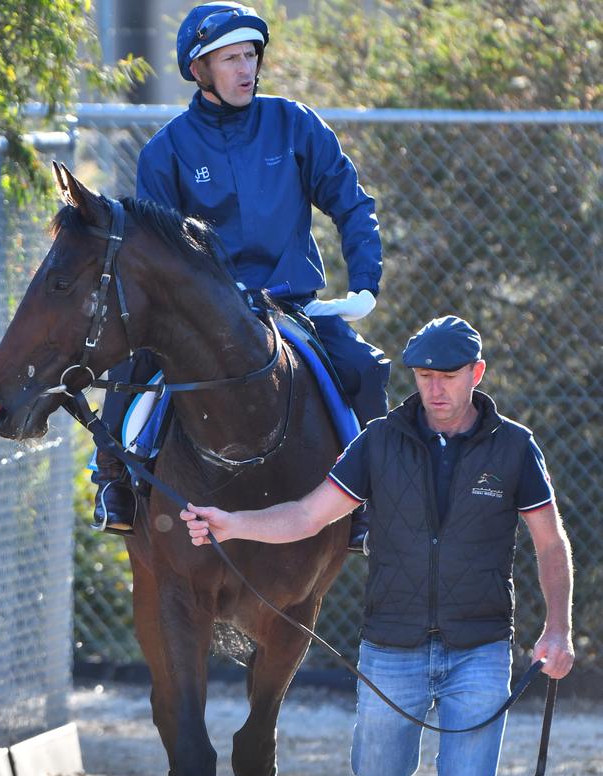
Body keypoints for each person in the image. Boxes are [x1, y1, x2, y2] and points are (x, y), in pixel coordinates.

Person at [179, 315, 575, 776]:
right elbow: (306, 515)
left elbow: (550, 543)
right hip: (392, 651)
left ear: (477, 373)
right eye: (423, 375)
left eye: (449, 375)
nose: (435, 389)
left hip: (480, 652)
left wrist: (558, 629)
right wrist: (233, 523)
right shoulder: (378, 442)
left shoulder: (514, 447)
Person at [91, 2, 390, 549]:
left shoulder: (294, 124)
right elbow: (160, 254)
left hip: (290, 308)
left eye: (250, 55)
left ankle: (372, 500)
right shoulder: (166, 151)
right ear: (198, 69)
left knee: (365, 370)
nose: (244, 68)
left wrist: (365, 283)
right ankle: (113, 480)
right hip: (202, 315)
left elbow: (351, 202)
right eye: (229, 58)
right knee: (133, 362)